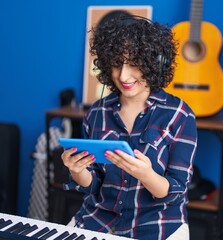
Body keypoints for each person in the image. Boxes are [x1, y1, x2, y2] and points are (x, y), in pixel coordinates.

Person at [61, 14, 197, 240]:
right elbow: (93, 184)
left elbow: (174, 191)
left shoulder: (180, 115)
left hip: (157, 225)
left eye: (134, 63)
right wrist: (77, 170)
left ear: (154, 62)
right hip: (98, 219)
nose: (123, 75)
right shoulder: (96, 113)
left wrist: (146, 174)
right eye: (116, 64)